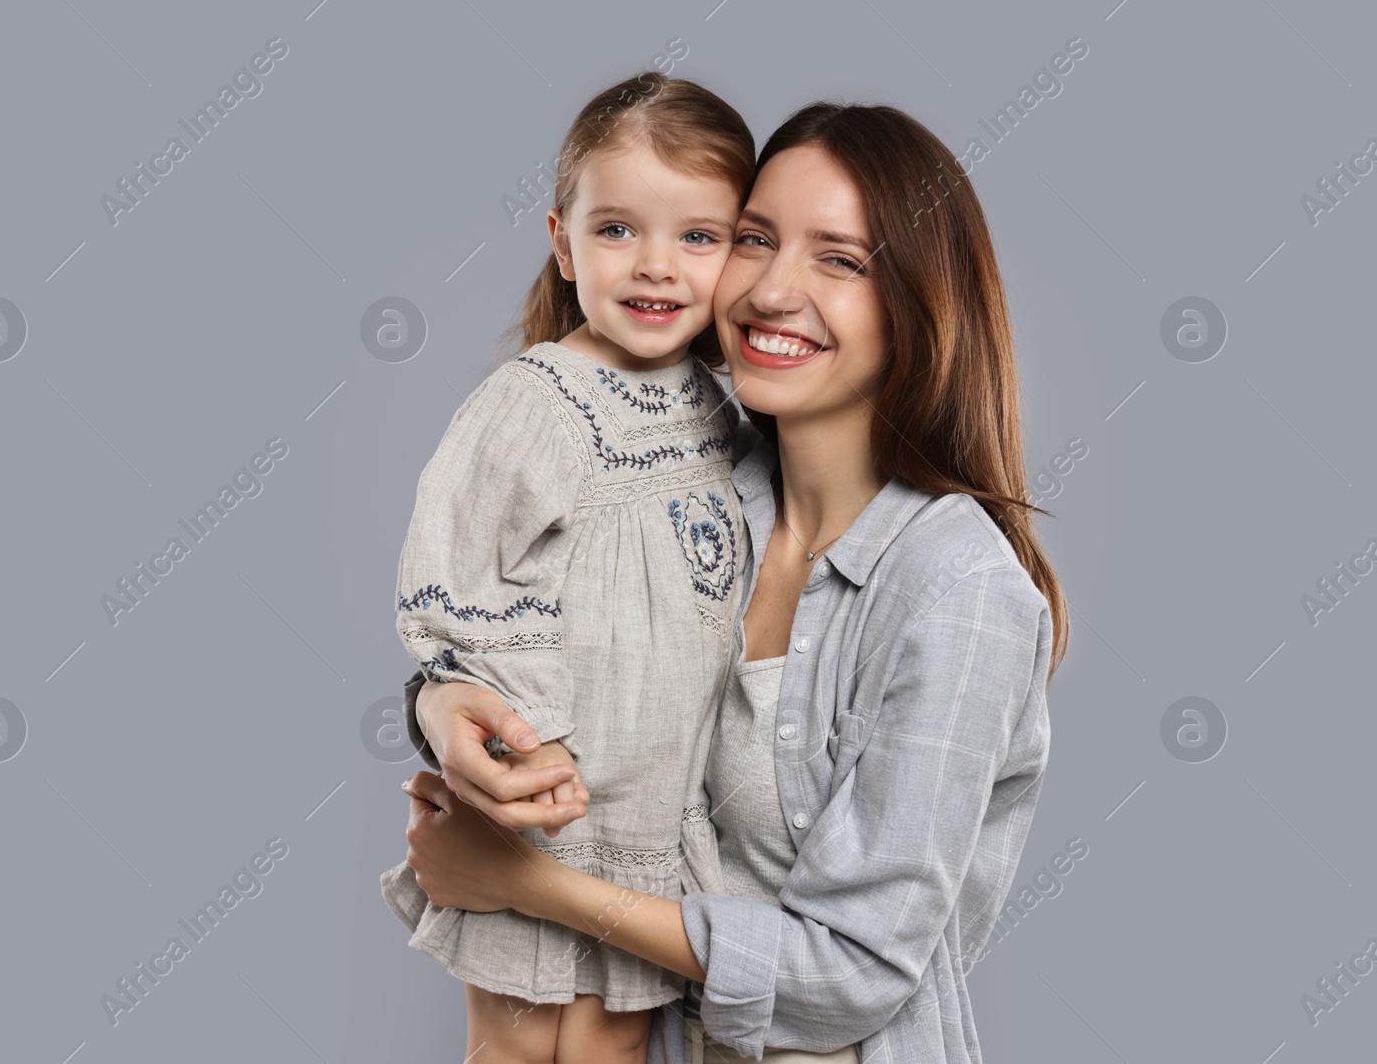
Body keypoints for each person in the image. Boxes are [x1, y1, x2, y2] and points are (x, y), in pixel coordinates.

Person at [397, 100, 1071, 1063]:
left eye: (839, 259)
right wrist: (442, 703)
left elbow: (851, 973)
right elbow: (517, 621)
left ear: (921, 302)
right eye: (755, 240)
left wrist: (527, 882)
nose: (771, 290)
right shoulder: (684, 488)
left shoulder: (957, 592)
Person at [378, 72, 760, 1063]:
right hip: (545, 803)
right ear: (561, 239)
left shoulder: (722, 410)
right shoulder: (537, 402)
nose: (656, 265)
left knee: (612, 1046)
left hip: (656, 824)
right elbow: (459, 577)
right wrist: (518, 733)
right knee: (513, 1045)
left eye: (698, 236)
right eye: (617, 230)